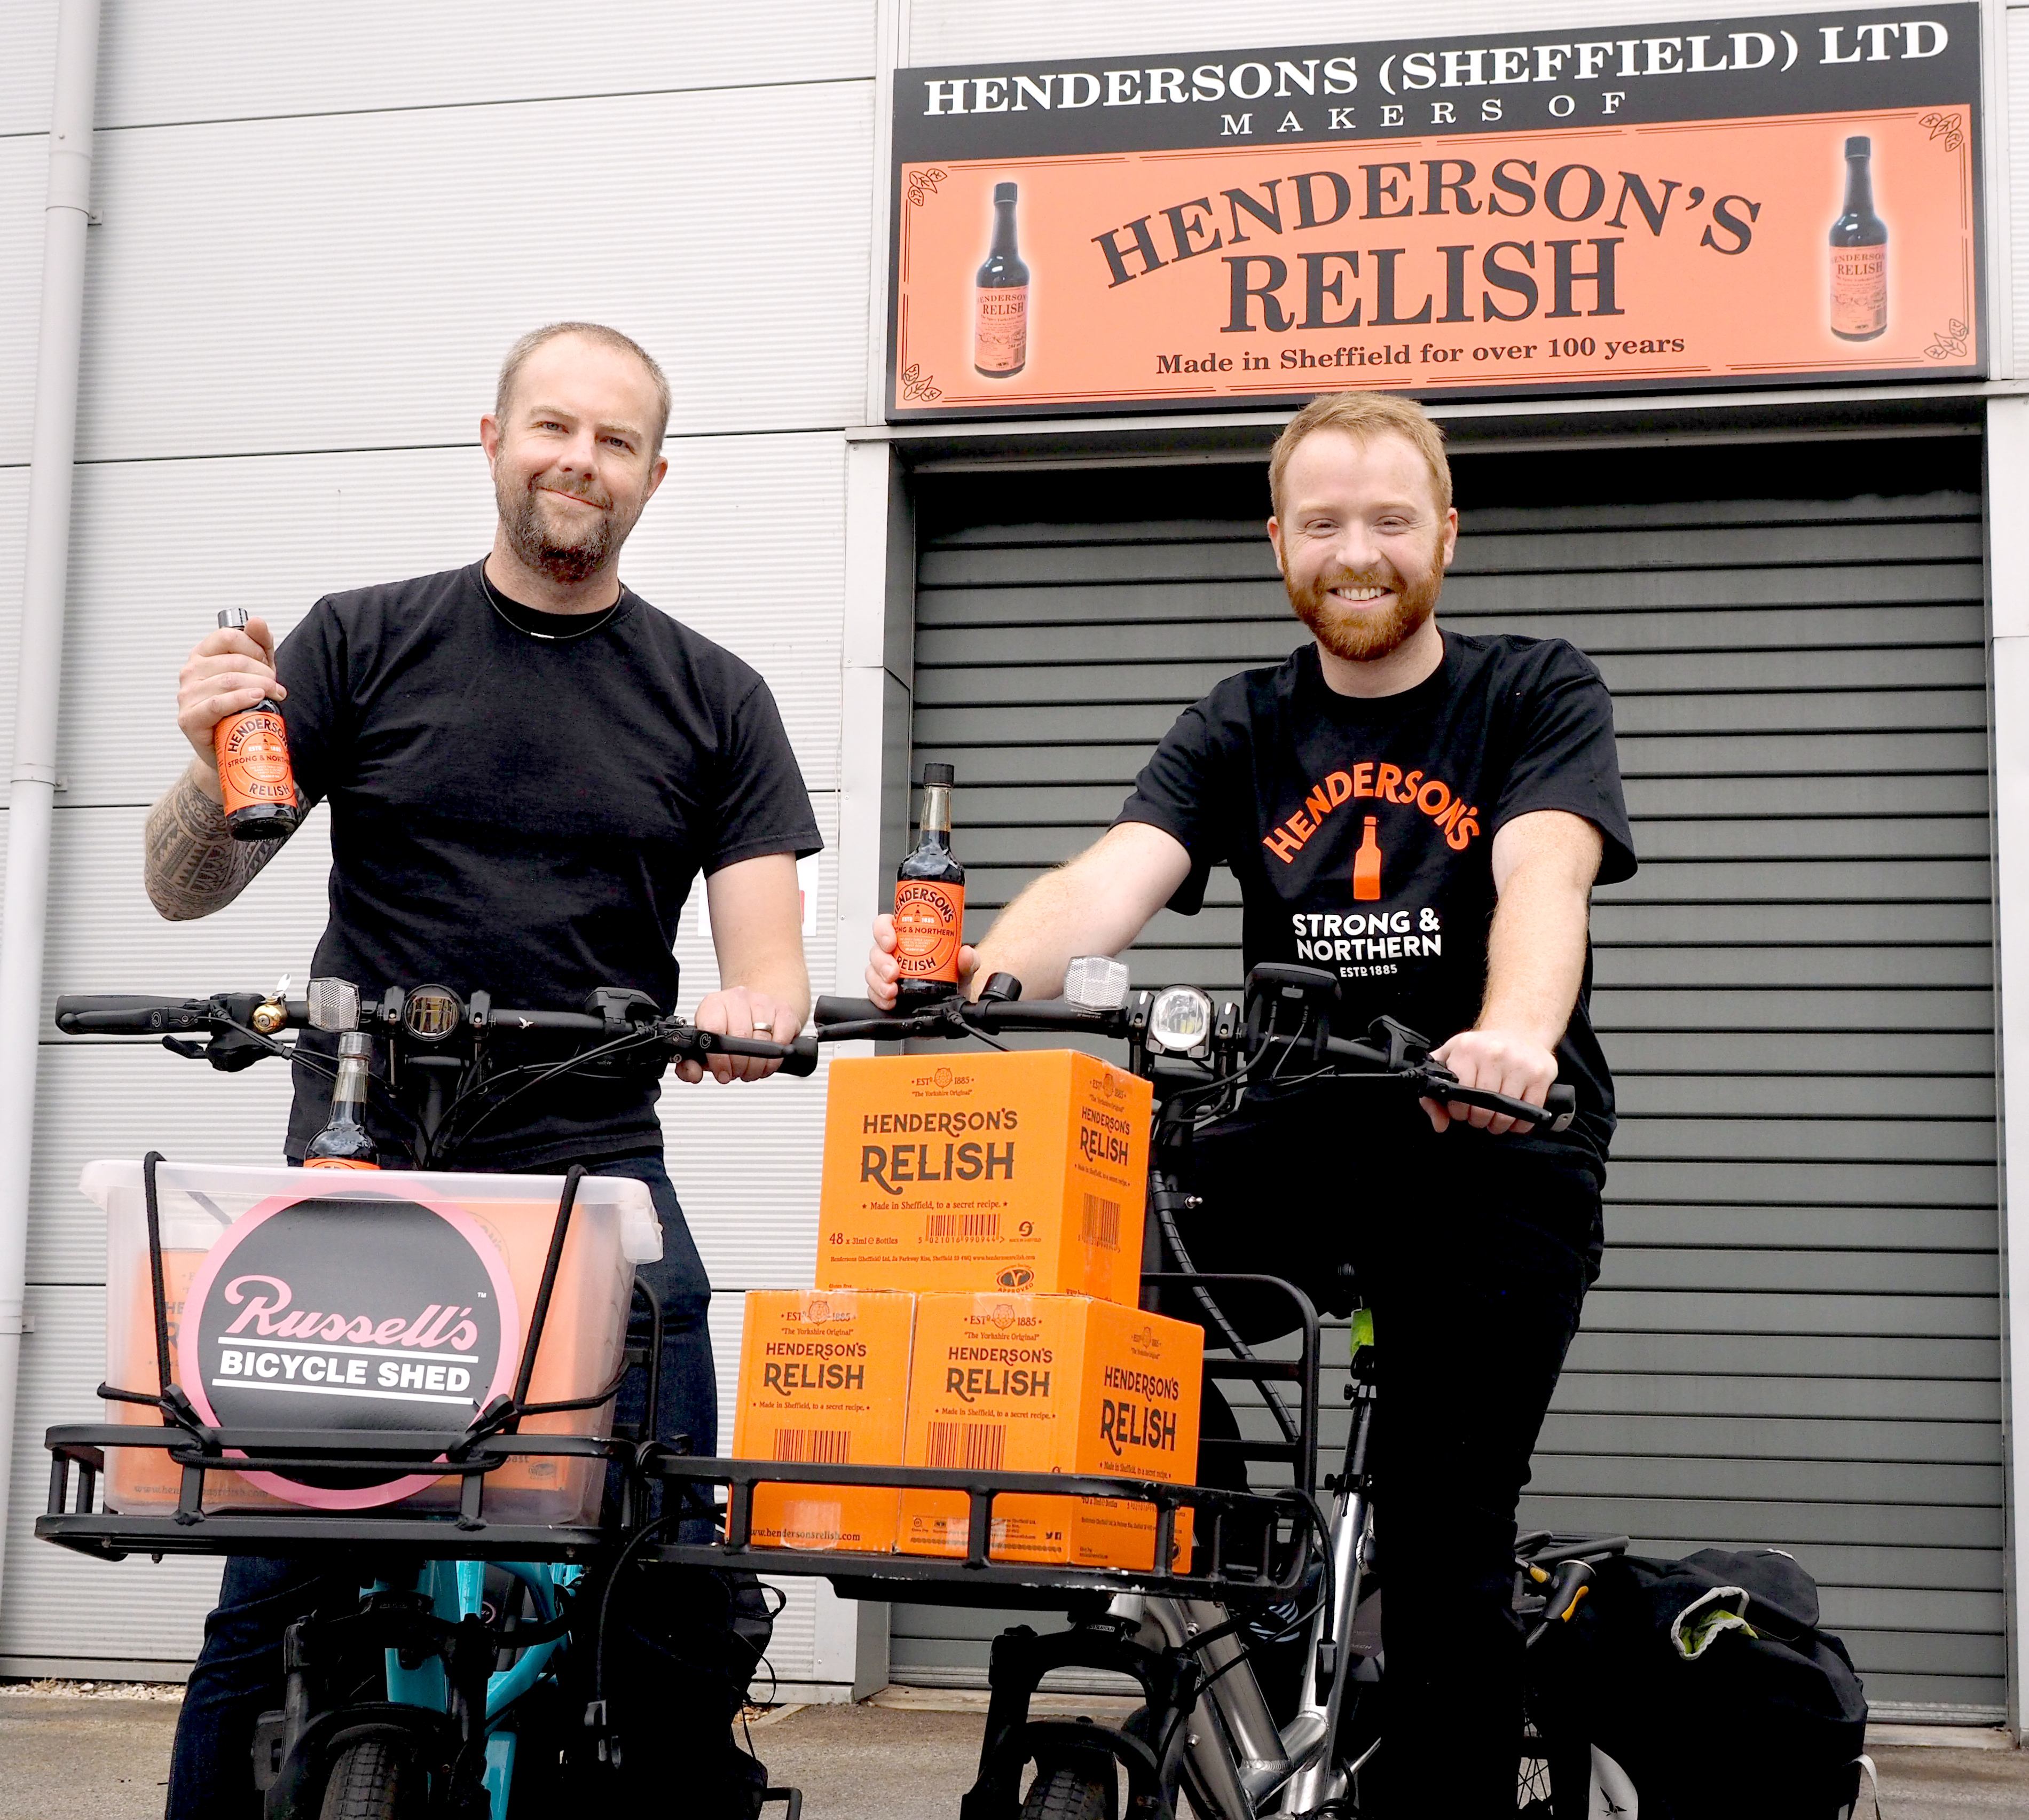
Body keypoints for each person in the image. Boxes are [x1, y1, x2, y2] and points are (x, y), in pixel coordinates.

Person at [867, 391, 1635, 1815]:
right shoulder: (1242, 722)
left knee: (1444, 1546)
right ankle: (1253, 1599)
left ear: (1447, 535)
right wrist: (980, 975)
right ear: (1278, 541)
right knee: (1087, 1279)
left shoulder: (1533, 692)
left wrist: (1513, 1036)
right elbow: (1117, 875)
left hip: (1491, 1147)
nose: (1359, 552)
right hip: (1297, 1138)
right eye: (1324, 522)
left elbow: (1545, 871)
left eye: (1391, 519)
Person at [145, 320, 820, 1817]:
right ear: (495, 439)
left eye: (616, 439)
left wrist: (752, 1018)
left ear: (654, 476)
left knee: (669, 1571)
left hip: (596, 1176)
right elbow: (184, 891)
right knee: (268, 1587)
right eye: (553, 426)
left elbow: (769, 966)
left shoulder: (716, 696)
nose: (581, 459)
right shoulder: (358, 641)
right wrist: (206, 759)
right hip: (361, 1163)